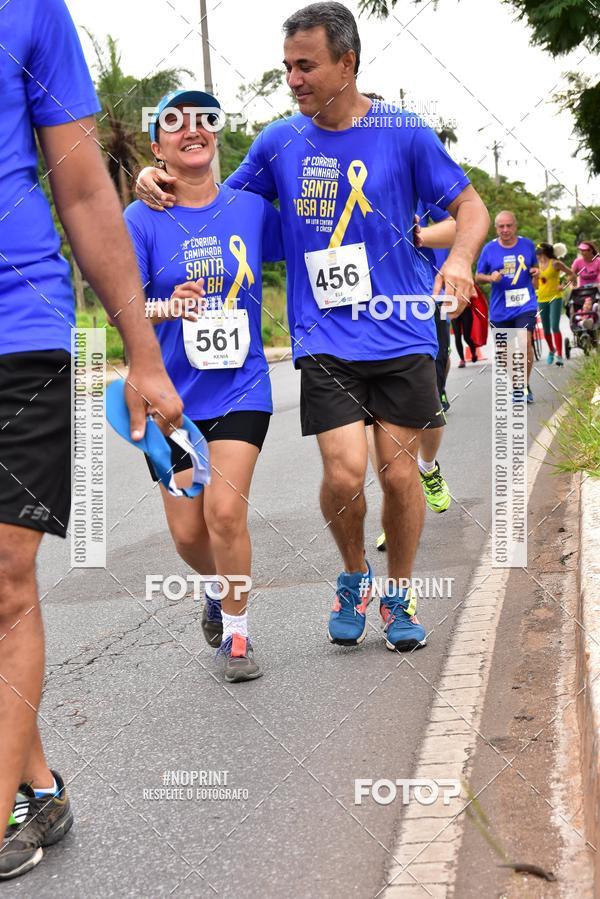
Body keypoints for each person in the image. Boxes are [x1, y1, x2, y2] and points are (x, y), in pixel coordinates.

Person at [136, 1, 490, 653]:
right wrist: (154, 176)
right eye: (287, 68)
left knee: (401, 474)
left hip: (403, 331)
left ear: (346, 63)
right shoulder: (277, 143)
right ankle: (354, 572)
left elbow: (470, 206)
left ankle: (401, 593)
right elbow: (215, 205)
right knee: (344, 472)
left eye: (306, 66)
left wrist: (463, 259)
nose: (294, 80)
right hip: (325, 339)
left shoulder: (403, 132)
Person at [0, 0, 183, 881]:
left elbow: (79, 184)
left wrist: (141, 351)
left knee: (3, 569)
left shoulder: (33, 10)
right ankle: (35, 783)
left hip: (16, 317)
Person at [125, 90, 283, 683]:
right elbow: (126, 305)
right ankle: (217, 588)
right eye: (176, 124)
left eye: (204, 122)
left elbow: (313, 234)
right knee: (189, 535)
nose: (193, 131)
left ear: (215, 136)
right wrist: (169, 307)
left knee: (224, 513)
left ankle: (238, 639)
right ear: (158, 145)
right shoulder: (140, 219)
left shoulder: (248, 207)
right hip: (171, 399)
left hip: (242, 385)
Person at [372, 203, 455, 553]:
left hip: (422, 302)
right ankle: (395, 519)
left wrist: (420, 236)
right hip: (365, 307)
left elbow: (458, 220)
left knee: (429, 408)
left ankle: (428, 467)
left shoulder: (413, 160)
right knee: (380, 422)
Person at [475, 210, 538, 403]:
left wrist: (536, 271)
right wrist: (490, 277)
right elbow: (478, 276)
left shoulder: (527, 245)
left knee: (525, 342)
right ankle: (517, 385)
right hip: (500, 308)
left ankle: (524, 386)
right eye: (501, 226)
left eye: (509, 225)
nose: (505, 229)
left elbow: (534, 268)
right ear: (496, 228)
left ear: (515, 226)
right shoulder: (489, 249)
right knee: (504, 351)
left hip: (524, 304)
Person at [535, 242, 572, 365]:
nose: (537, 255)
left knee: (554, 326)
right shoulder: (537, 266)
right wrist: (535, 277)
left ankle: (560, 356)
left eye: (539, 252)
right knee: (546, 330)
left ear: (545, 252)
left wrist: (564, 285)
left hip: (555, 297)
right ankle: (552, 350)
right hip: (542, 298)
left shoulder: (556, 263)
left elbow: (571, 273)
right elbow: (535, 285)